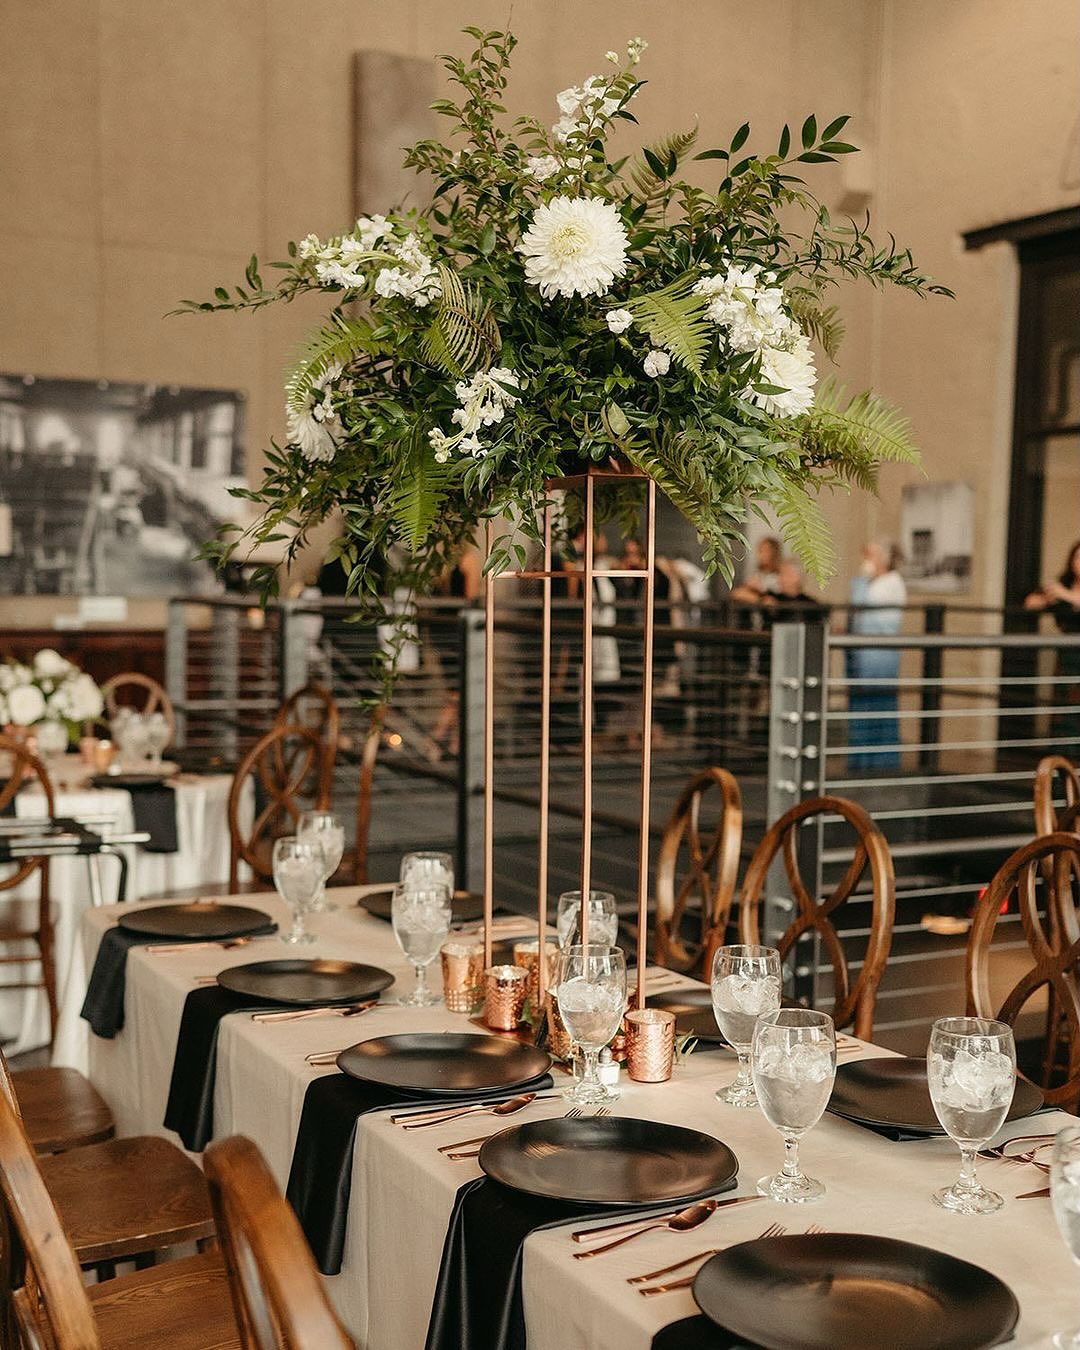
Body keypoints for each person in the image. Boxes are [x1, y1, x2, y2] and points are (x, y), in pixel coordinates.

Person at [846, 542, 907, 770]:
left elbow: (879, 618)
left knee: (879, 707)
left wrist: (861, 585)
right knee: (862, 709)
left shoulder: (892, 583)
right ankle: (861, 762)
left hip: (880, 658)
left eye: (869, 554)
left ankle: (881, 763)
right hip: (862, 656)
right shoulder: (872, 583)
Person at [1025, 539, 1080, 748]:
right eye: (1077, 556)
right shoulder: (1063, 583)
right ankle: (1064, 757)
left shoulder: (1065, 590)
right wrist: (1048, 598)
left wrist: (1065, 595)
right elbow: (1030, 602)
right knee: (1064, 704)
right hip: (1067, 653)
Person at [730, 535, 782, 605]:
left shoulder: (783, 575)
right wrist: (759, 599)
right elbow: (737, 594)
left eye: (765, 551)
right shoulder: (756, 575)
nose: (760, 555)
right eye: (760, 551)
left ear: (774, 552)